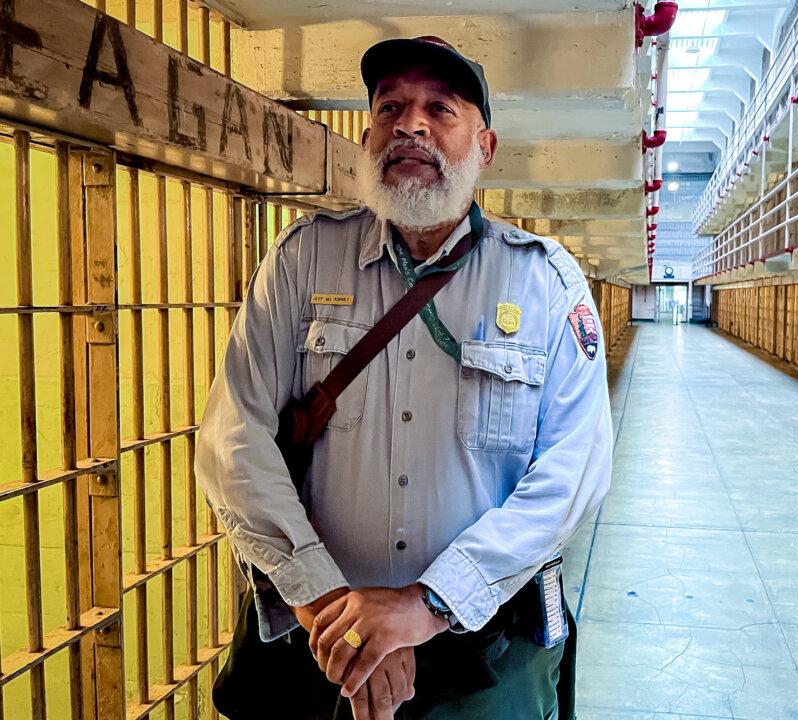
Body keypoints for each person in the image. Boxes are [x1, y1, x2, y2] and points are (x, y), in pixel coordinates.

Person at [195, 35, 613, 720]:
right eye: (391, 107)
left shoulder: (544, 279)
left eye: (440, 110)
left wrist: (429, 603)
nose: (410, 124)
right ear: (368, 136)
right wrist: (332, 606)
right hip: (319, 638)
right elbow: (232, 440)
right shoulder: (302, 261)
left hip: (484, 650)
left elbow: (576, 467)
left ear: (485, 146)